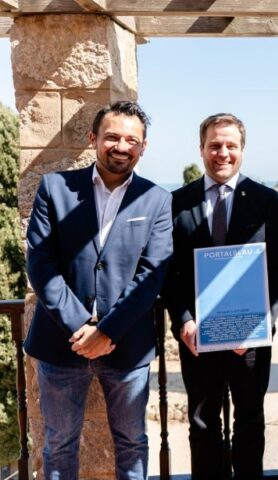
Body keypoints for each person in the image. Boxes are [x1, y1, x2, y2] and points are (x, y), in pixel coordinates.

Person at [25, 101, 173, 480]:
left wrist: (107, 331)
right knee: (58, 445)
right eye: (112, 137)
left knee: (133, 443)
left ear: (143, 147)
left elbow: (152, 275)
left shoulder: (157, 200)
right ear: (93, 138)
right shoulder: (55, 188)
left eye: (131, 140)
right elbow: (41, 265)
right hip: (61, 344)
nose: (121, 146)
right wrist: (81, 327)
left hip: (127, 345)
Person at [162, 113, 278, 479]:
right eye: (215, 145)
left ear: (242, 150)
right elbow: (168, 271)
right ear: (201, 148)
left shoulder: (266, 200)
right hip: (197, 338)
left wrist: (259, 325)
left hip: (249, 341)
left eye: (230, 145)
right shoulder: (176, 202)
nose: (222, 153)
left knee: (250, 422)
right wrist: (184, 321)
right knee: (202, 424)